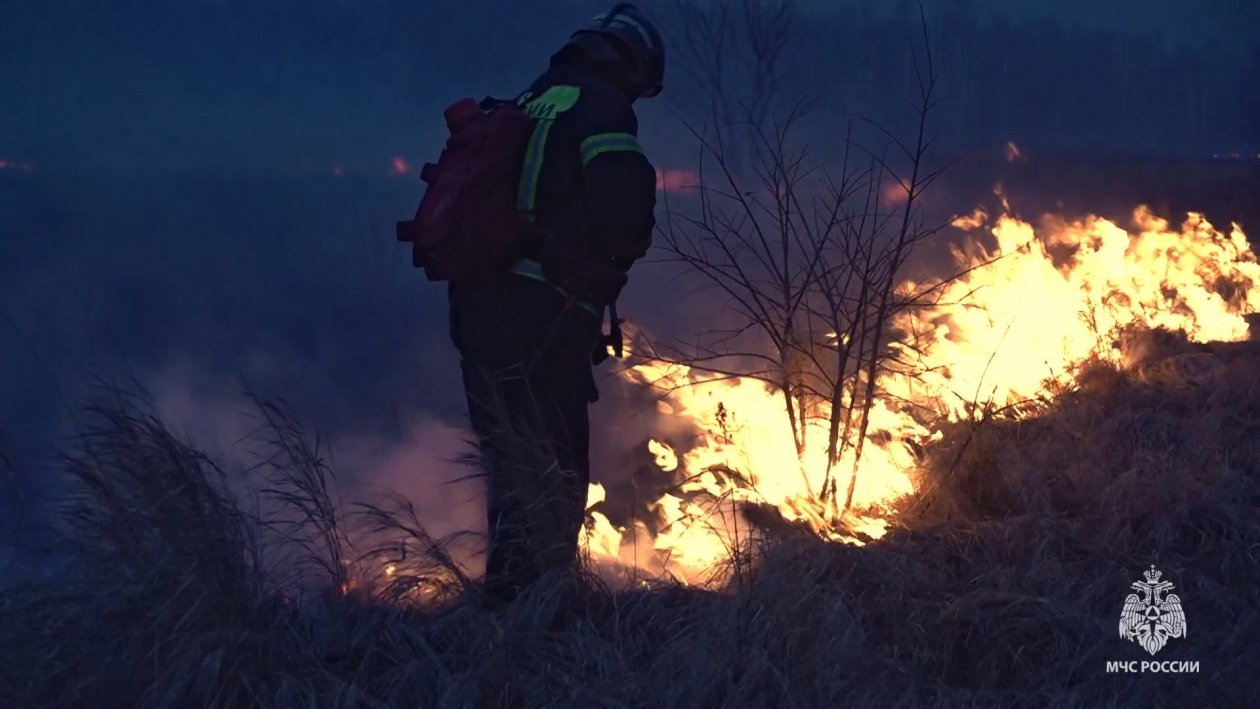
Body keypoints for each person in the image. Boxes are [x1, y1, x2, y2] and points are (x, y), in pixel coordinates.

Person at [449, 3, 663, 603]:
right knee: (555, 465)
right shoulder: (601, 105)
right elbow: (626, 216)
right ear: (630, 63)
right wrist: (606, 261)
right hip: (541, 311)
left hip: (476, 307)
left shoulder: (531, 97)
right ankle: (542, 612)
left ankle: (505, 601)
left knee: (508, 458)